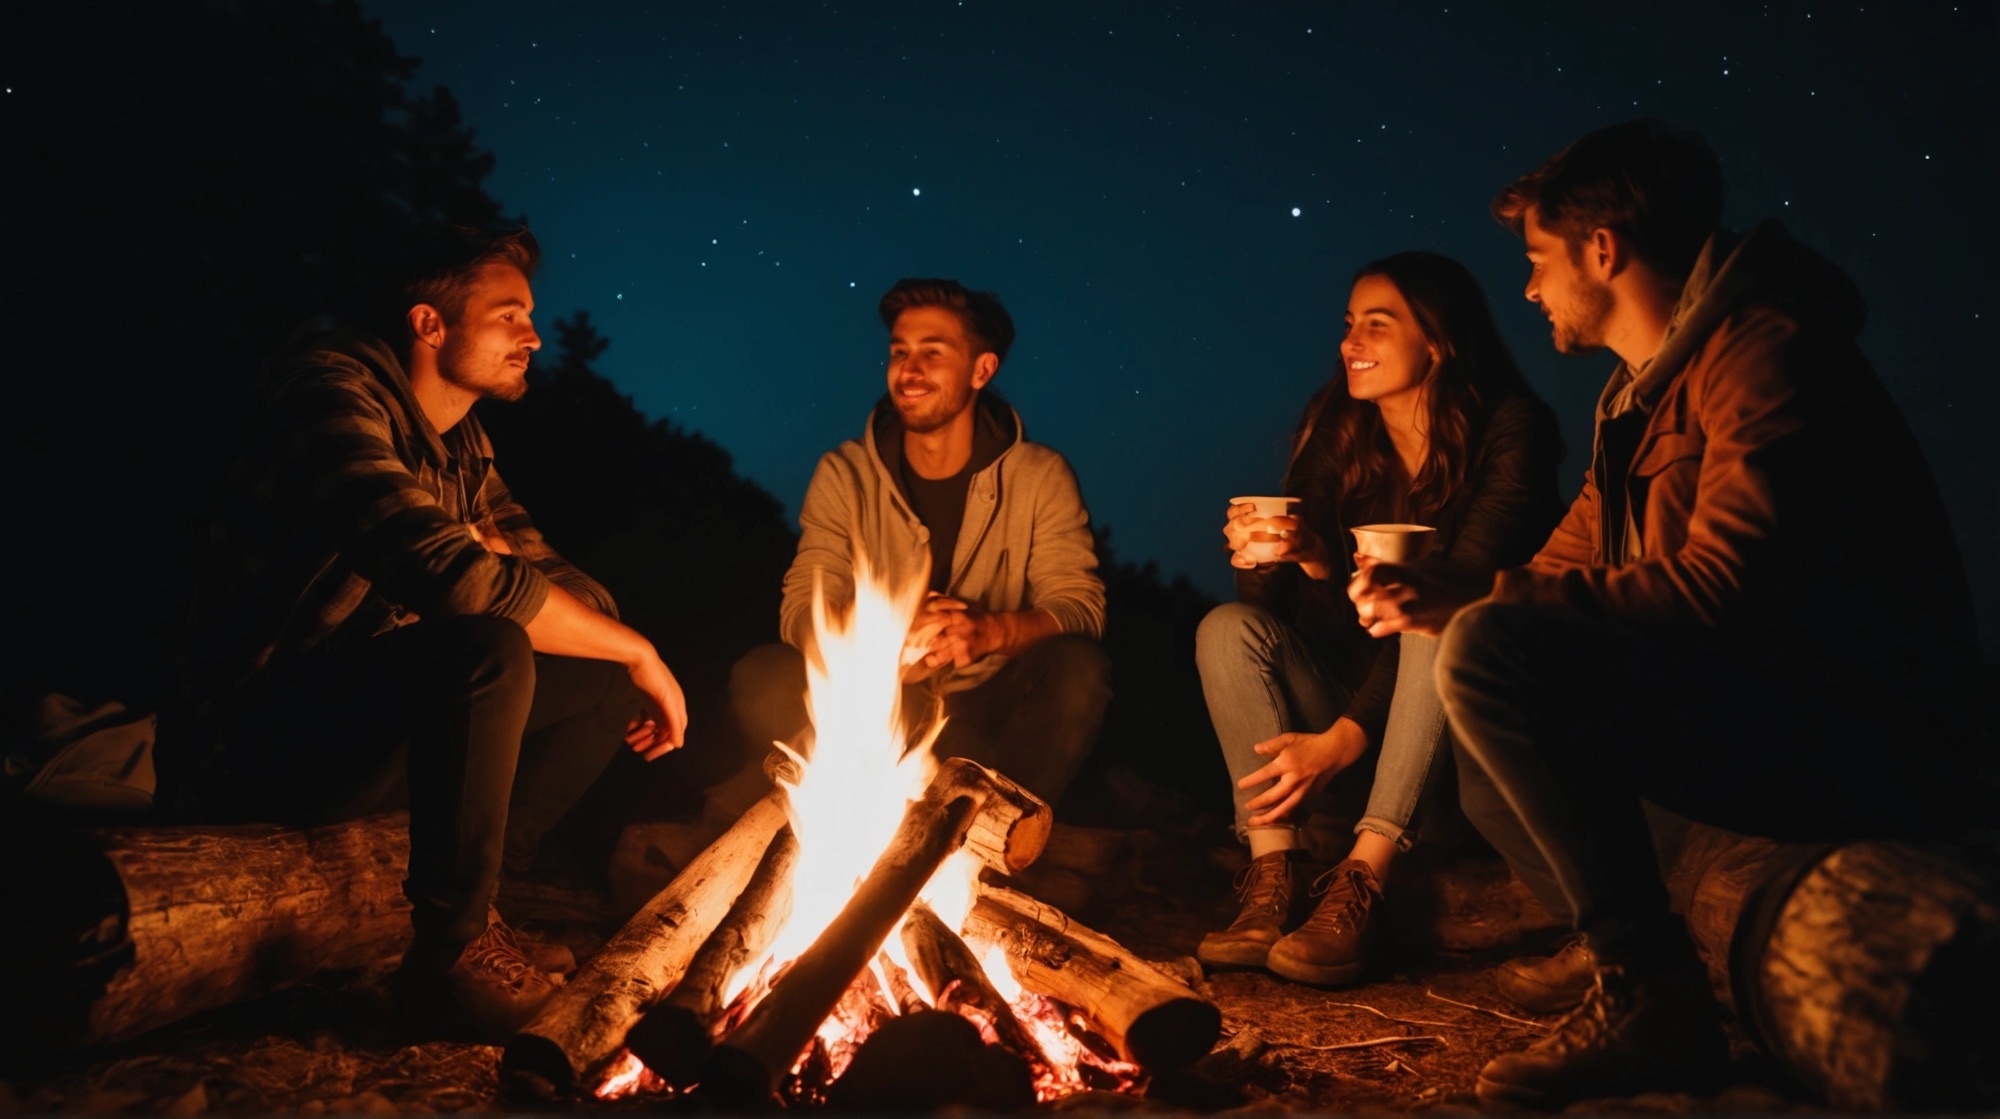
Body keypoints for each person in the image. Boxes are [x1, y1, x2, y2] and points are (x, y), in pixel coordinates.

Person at [1348, 120, 1978, 1107]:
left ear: (1601, 251)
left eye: (1535, 261)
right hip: (1753, 708)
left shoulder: (1765, 351)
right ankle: (1615, 935)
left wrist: (1483, 602)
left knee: (1492, 650)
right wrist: (1439, 601)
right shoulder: (1634, 399)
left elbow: (1724, 585)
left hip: (1852, 737)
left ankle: (1649, 989)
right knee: (1473, 675)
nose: (1526, 289)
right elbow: (1560, 560)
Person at [164, 226, 690, 1039]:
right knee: (492, 646)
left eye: (532, 317)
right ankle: (449, 954)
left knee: (598, 663)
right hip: (252, 745)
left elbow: (580, 591)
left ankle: (491, 908)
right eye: (509, 314)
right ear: (431, 325)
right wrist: (637, 647)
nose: (535, 335)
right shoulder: (328, 393)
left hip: (358, 735)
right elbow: (455, 577)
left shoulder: (464, 447)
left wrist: (614, 639)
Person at [1194, 252, 1563, 986]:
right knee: (1224, 628)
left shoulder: (1511, 430)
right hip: (1357, 715)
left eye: (1377, 323)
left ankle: (1362, 880)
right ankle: (1275, 875)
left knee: (1435, 617)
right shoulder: (1339, 425)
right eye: (1348, 323)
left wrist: (1343, 739)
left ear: (1439, 339)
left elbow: (1454, 597)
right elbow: (1281, 617)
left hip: (1465, 737)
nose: (1350, 341)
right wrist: (1285, 557)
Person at [728, 278, 1110, 806]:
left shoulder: (1040, 475)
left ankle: (992, 844)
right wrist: (882, 639)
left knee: (1077, 671)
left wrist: (988, 631)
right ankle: (834, 822)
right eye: (899, 353)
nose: (909, 371)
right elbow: (800, 608)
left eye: (933, 353)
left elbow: (1079, 607)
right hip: (873, 707)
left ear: (982, 370)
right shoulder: (846, 473)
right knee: (763, 673)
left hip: (986, 716)